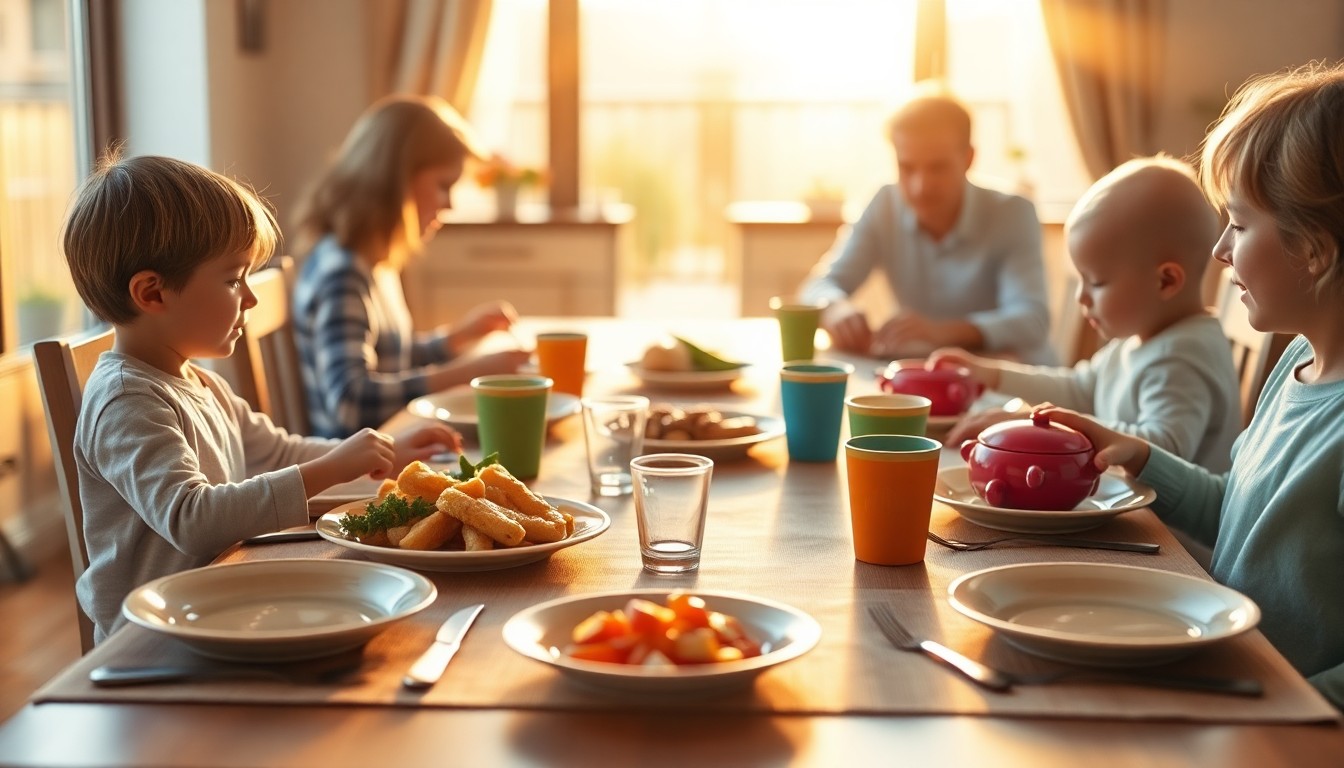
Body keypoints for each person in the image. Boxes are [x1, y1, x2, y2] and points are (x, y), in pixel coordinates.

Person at [1041, 63, 1344, 710]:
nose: (1220, 252)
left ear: (1315, 249)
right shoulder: (1294, 371)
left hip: (1274, 714)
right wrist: (1143, 456)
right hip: (1225, 666)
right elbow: (1235, 511)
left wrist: (1293, 710)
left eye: (1239, 223)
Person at [61, 153, 462, 642]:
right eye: (233, 279)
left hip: (223, 607)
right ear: (152, 293)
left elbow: (277, 453)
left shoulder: (198, 382)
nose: (249, 298)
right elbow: (192, 519)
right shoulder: (126, 402)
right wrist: (333, 468)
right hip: (151, 641)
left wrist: (382, 454)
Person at [931, 156, 1241, 473]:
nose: (1082, 296)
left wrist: (1036, 425)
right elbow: (1077, 390)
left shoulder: (1184, 356)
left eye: (1096, 281)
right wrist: (990, 374)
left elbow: (1164, 447)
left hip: (1160, 524)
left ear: (1166, 281)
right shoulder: (1140, 339)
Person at [291, 94, 532, 438]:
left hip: (385, 451)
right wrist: (468, 373)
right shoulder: (342, 274)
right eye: (443, 185)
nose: (449, 204)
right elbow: (350, 402)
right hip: (357, 475)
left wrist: (457, 337)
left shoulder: (372, 261)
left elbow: (391, 356)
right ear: (397, 178)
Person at [798, 84, 1056, 364]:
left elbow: (1032, 320)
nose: (920, 187)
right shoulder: (884, 203)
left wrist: (944, 332)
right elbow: (817, 286)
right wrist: (834, 308)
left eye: (937, 168)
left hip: (1010, 384)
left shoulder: (1013, 213)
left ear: (969, 158)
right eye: (907, 168)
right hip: (924, 380)